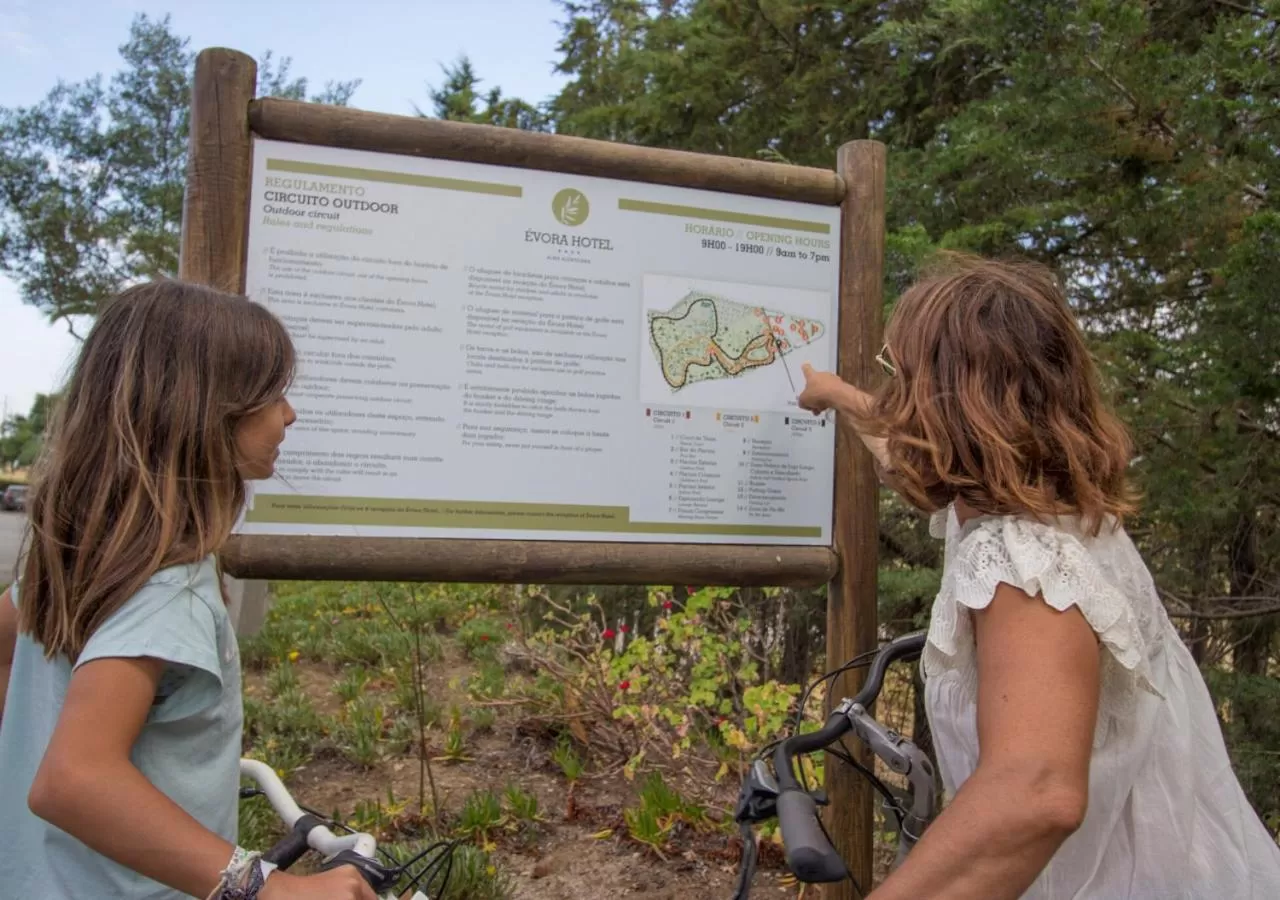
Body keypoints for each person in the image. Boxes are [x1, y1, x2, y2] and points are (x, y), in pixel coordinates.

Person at [797, 254, 1280, 899]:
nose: (889, 394)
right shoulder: (1056, 511)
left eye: (896, 373)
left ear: (947, 403)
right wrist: (833, 393)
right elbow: (904, 453)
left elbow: (1033, 795)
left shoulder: (1025, 563)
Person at [0, 281, 375, 900]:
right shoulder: (168, 588)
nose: (289, 414)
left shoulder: (72, 562)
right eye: (271, 393)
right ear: (206, 410)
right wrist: (270, 890)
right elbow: (73, 779)